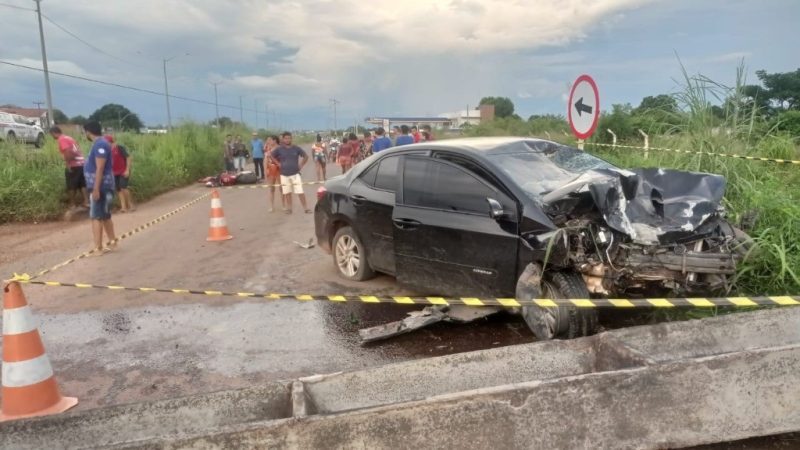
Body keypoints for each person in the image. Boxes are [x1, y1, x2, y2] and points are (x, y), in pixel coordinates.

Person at [82, 121, 117, 254]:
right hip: (103, 185)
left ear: (88, 132)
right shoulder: (100, 144)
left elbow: (100, 167)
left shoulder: (100, 145)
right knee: (105, 215)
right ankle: (113, 242)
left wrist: (96, 188)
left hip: (101, 186)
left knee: (96, 216)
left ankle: (98, 248)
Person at [271, 132, 311, 214]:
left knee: (300, 191)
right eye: (286, 138)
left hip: (295, 174)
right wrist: (278, 164)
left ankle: (306, 208)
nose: (287, 140)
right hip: (284, 174)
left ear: (291, 139)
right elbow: (271, 155)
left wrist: (301, 165)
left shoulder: (296, 148)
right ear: (283, 139)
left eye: (289, 138)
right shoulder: (279, 149)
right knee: (287, 192)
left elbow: (306, 156)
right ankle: (289, 209)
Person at [50, 126, 88, 208]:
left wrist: (68, 164)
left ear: (54, 133)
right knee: (82, 183)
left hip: (74, 164)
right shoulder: (69, 138)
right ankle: (86, 201)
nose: (52, 137)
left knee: (71, 185)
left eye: (51, 135)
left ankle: (72, 204)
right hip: (81, 163)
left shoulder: (62, 139)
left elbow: (67, 151)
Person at [106, 134, 135, 213]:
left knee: (123, 187)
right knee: (118, 189)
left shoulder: (119, 148)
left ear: (110, 142)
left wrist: (127, 170)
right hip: (114, 173)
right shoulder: (106, 151)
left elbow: (128, 158)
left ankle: (130, 204)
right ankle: (123, 207)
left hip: (123, 171)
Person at [264, 135, 285, 213]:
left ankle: (284, 205)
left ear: (275, 141)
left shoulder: (281, 148)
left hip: (279, 169)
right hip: (271, 169)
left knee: (281, 188)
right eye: (268, 140)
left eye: (270, 140)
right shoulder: (268, 149)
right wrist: (265, 171)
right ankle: (271, 206)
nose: (268, 141)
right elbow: (265, 161)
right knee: (272, 189)